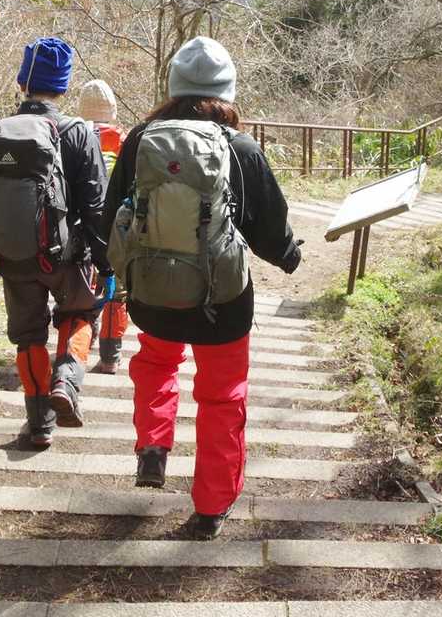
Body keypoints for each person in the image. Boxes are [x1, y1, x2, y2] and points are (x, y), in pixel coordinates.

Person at [103, 36, 301, 539]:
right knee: (223, 395)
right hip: (223, 302)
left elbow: (111, 217)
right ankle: (212, 505)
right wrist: (289, 256)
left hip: (152, 293)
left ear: (173, 87)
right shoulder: (240, 148)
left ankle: (153, 445)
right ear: (227, 91)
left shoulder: (141, 140)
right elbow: (269, 228)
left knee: (156, 363)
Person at [0, 37, 109, 449]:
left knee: (28, 336)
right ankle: (66, 381)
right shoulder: (77, 131)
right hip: (68, 257)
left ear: (21, 83)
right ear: (63, 87)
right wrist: (107, 263)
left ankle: (39, 424)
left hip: (13, 257)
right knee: (79, 314)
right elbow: (96, 206)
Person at [77, 79, 129, 374]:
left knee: (82, 284)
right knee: (116, 290)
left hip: (80, 223)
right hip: (116, 225)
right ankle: (110, 356)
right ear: (113, 110)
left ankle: (80, 345)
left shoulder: (72, 135)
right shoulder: (124, 140)